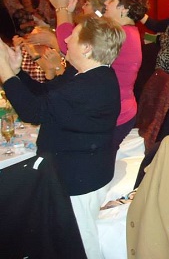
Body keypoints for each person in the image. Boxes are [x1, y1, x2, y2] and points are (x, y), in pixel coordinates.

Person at [0, 15, 125, 259]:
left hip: (79, 179)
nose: (65, 39)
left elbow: (32, 111)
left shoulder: (90, 85)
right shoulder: (88, 75)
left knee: (81, 243)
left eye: (73, 36)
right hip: (81, 169)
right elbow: (45, 96)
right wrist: (18, 73)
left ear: (87, 48)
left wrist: (7, 76)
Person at [48, 0, 149, 149]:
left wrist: (61, 9)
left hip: (113, 116)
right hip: (120, 110)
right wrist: (67, 11)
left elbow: (69, 47)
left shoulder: (120, 35)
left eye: (112, 0)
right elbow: (79, 35)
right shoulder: (125, 31)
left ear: (123, 8)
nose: (106, 4)